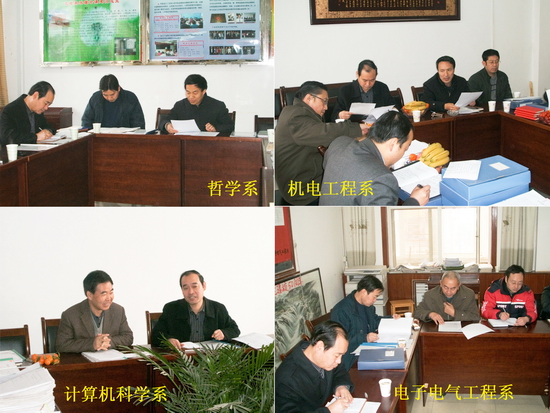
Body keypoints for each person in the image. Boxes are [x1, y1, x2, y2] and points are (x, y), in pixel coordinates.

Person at [275, 81, 368, 206]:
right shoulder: (296, 115)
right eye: (324, 101)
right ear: (309, 98)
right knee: (361, 187)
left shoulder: (298, 112)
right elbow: (324, 132)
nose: (326, 107)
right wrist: (356, 128)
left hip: (305, 178)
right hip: (303, 190)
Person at [319, 111, 430, 206]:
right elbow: (385, 223)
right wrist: (414, 202)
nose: (403, 152)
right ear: (393, 143)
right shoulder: (382, 179)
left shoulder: (339, 143)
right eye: (405, 149)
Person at [275, 320, 354, 413]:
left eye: (341, 355)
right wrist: (329, 411)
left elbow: (339, 370)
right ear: (319, 346)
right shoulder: (286, 381)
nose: (339, 361)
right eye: (337, 355)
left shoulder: (321, 356)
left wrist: (341, 386)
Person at [152, 270, 240, 349]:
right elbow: (156, 335)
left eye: (194, 286)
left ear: (203, 286)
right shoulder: (171, 309)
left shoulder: (218, 308)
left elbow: (235, 330)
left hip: (211, 359)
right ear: (182, 290)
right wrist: (168, 340)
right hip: (181, 358)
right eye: (185, 288)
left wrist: (224, 333)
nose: (190, 292)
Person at [331, 275, 400, 370]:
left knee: (394, 358)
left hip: (366, 349)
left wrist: (391, 319)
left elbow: (374, 321)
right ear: (363, 292)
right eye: (374, 296)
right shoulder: (342, 310)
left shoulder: (367, 306)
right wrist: (365, 338)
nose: (375, 300)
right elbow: (339, 340)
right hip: (350, 358)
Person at [56, 270, 133, 353]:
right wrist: (92, 344)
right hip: (84, 360)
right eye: (104, 293)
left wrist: (108, 342)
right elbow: (61, 345)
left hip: (110, 359)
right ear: (90, 295)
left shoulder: (118, 311)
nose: (108, 298)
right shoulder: (70, 315)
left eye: (111, 292)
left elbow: (128, 337)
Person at [160, 74, 234, 134]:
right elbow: (164, 121)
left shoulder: (217, 106)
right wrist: (167, 125)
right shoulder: (180, 105)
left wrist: (215, 128)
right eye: (188, 92)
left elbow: (229, 126)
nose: (191, 96)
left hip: (208, 145)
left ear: (203, 91)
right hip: (185, 144)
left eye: (195, 92)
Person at [331, 59, 398, 121]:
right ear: (357, 74)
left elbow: (393, 106)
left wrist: (394, 110)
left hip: (378, 126)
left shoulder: (382, 88)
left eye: (372, 80)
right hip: (355, 127)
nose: (368, 84)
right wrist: (340, 115)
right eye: (364, 80)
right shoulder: (345, 91)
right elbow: (333, 116)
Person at [413, 272, 480, 325]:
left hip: (461, 331)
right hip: (437, 331)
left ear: (458, 285)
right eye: (445, 287)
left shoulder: (468, 294)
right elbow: (417, 312)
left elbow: (475, 317)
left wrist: (455, 313)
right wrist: (430, 314)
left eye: (453, 288)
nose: (448, 291)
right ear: (441, 283)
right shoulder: (430, 295)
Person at [81, 74, 145, 129]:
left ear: (118, 88)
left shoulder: (130, 98)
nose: (109, 98)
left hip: (124, 137)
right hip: (100, 136)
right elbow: (86, 120)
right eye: (105, 95)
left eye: (112, 94)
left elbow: (138, 123)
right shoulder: (96, 98)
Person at [0, 81, 55, 145]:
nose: (46, 108)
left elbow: (47, 126)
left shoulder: (37, 111)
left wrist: (48, 131)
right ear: (35, 95)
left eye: (49, 105)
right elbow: (6, 137)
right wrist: (36, 137)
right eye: (45, 103)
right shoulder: (10, 110)